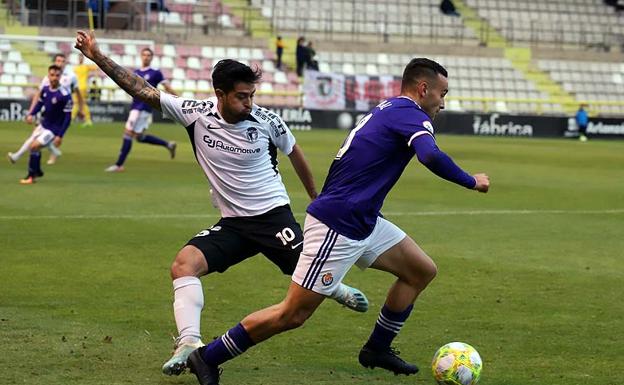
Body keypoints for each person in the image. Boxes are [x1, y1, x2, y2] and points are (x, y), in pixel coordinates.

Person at [74, 29, 370, 377]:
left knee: (306, 277)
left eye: (252, 95)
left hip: (272, 217)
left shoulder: (266, 120)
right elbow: (141, 89)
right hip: (233, 224)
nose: (249, 103)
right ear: (220, 94)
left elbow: (295, 152)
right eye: (242, 96)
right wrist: (97, 56)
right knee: (183, 265)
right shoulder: (195, 114)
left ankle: (335, 287)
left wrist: (316, 198)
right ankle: (189, 343)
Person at [181, 58, 490, 385]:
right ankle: (207, 356)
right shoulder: (411, 114)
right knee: (292, 314)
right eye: (442, 93)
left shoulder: (390, 108)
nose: (442, 103)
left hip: (364, 219)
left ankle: (377, 348)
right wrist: (471, 180)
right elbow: (429, 155)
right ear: (423, 88)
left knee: (420, 270)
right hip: (339, 224)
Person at [104, 47, 178, 172]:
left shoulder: (155, 72)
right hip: (135, 106)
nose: (146, 57)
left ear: (152, 57)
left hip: (143, 108)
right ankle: (168, 144)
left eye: (149, 55)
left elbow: (167, 87)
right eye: (144, 55)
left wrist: (178, 99)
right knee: (138, 137)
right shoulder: (137, 72)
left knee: (128, 133)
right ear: (141, 56)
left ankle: (119, 165)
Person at [7, 65, 72, 184]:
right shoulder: (46, 90)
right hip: (44, 125)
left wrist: (60, 135)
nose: (54, 78)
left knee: (33, 146)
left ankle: (31, 176)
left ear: (60, 77)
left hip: (53, 130)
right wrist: (31, 114)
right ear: (48, 76)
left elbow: (68, 118)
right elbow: (39, 104)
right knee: (32, 145)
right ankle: (37, 170)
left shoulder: (64, 95)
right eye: (52, 75)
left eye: (57, 75)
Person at [28, 53, 85, 165]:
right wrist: (31, 111)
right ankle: (38, 151)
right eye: (58, 61)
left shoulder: (71, 77)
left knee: (58, 132)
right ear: (55, 62)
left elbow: (78, 93)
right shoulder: (48, 77)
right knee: (38, 131)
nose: (60, 63)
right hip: (49, 108)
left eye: (63, 61)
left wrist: (81, 109)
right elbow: (39, 95)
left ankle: (52, 156)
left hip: (63, 109)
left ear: (65, 63)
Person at [72, 53, 99, 127]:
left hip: (79, 87)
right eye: (80, 58)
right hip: (82, 87)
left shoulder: (77, 68)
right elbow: (96, 67)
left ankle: (72, 118)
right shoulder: (84, 67)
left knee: (77, 103)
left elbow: (96, 68)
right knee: (81, 103)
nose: (80, 59)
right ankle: (87, 119)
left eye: (81, 58)